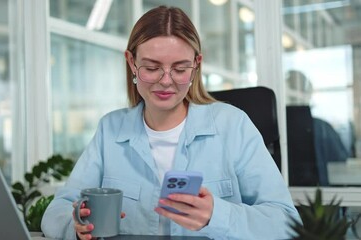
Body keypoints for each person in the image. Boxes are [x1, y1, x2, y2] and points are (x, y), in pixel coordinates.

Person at [42, 6, 300, 239]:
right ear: (132, 63)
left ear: (196, 65)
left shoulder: (233, 126)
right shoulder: (111, 129)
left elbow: (286, 222)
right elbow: (57, 212)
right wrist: (76, 225)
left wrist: (217, 215)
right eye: (152, 68)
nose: (166, 81)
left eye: (179, 68)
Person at [286, 70, 350, 185]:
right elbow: (341, 162)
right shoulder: (323, 129)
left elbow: (340, 163)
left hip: (316, 194)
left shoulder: (322, 129)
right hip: (314, 193)